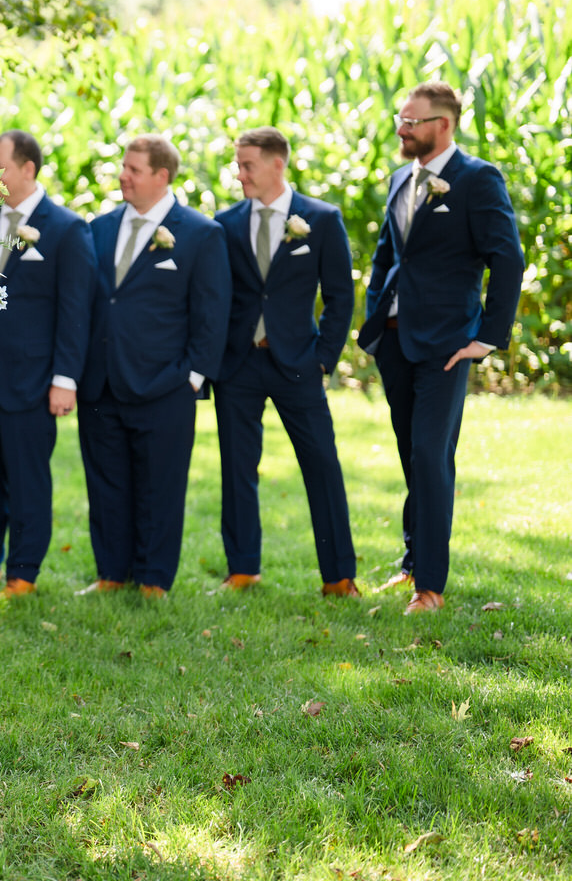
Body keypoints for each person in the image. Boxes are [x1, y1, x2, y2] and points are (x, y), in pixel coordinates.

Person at [357, 82, 524, 614]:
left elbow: (508, 259)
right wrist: (374, 317)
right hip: (396, 339)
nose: (403, 130)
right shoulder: (399, 178)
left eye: (412, 122)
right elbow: (389, 254)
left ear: (444, 125)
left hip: (448, 345)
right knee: (413, 455)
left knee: (431, 455)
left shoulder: (477, 180)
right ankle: (411, 565)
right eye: (400, 120)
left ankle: (430, 587)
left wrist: (487, 338)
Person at [0, 130, 95, 598]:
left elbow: (75, 311)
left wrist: (65, 379)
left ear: (27, 168)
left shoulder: (67, 228)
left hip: (33, 379)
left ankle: (23, 572)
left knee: (28, 479)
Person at [76, 135, 230, 598]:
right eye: (123, 167)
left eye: (134, 170)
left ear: (162, 177)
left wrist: (192, 376)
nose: (123, 175)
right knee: (106, 484)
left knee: (160, 488)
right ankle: (111, 573)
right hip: (100, 381)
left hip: (166, 385)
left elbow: (212, 312)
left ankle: (154, 578)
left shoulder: (200, 234)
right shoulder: (98, 228)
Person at [212, 128, 357, 596]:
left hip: (299, 363)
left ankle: (338, 577)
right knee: (236, 469)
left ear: (278, 164)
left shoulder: (321, 218)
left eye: (247, 165)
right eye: (237, 164)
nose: (240, 174)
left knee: (322, 466)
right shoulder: (226, 223)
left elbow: (340, 297)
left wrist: (323, 360)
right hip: (238, 365)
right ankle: (242, 570)